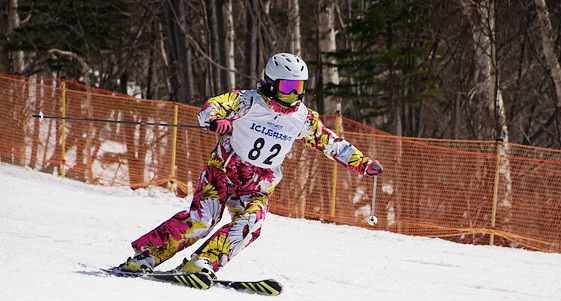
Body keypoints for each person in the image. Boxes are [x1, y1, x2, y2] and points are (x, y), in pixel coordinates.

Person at [116, 52, 383, 277]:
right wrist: (215, 120)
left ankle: (203, 262)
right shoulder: (248, 101)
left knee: (251, 224)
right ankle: (145, 257)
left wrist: (363, 164)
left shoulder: (303, 118)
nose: (293, 96)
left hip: (258, 185)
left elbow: (332, 143)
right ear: (269, 83)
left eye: (299, 89)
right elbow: (212, 107)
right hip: (223, 173)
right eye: (287, 89)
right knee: (202, 221)